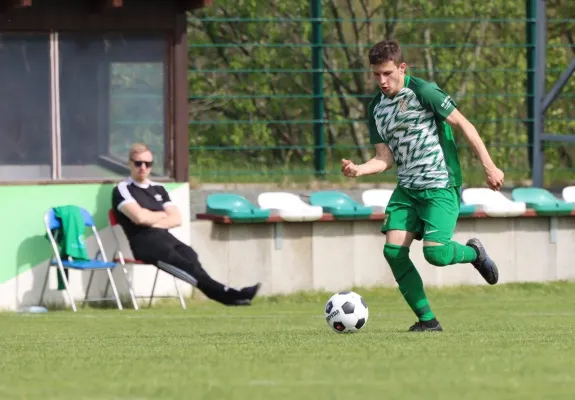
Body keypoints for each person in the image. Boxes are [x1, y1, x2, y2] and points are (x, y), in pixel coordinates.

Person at [341, 40, 504, 332]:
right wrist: (358, 170)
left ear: (402, 68)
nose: (382, 80)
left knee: (436, 254)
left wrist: (489, 166)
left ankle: (474, 254)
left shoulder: (424, 91)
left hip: (440, 185)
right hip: (407, 190)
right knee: (393, 252)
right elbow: (383, 159)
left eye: (387, 73)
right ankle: (427, 321)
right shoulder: (376, 108)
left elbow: (464, 125)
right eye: (376, 74)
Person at [112, 143, 261, 306]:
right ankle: (229, 292)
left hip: (165, 237)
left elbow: (176, 218)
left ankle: (226, 297)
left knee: (190, 256)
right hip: (144, 243)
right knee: (183, 265)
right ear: (130, 163)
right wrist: (162, 215)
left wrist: (152, 219)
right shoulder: (122, 189)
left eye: (147, 164)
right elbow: (140, 218)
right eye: (138, 163)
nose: (143, 168)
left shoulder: (158, 189)